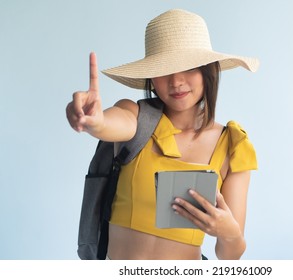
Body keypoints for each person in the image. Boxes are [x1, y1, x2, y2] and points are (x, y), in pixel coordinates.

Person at [66, 9, 259, 260]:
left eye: (188, 67)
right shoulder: (136, 116)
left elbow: (229, 256)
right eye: (164, 69)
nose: (176, 81)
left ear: (208, 70)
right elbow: (111, 123)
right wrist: (95, 121)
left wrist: (229, 233)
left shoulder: (233, 145)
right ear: (151, 77)